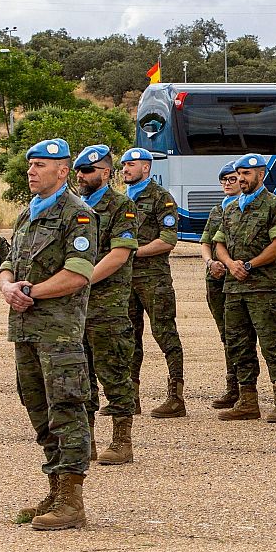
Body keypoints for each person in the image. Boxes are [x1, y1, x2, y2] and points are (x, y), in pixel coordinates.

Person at [0, 138, 96, 531]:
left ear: (62, 170)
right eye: (30, 165)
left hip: (58, 333)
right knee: (38, 409)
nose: (31, 171)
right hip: (25, 330)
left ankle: (73, 500)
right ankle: (55, 489)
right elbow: (9, 261)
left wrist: (31, 292)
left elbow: (78, 273)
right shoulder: (28, 214)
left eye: (40, 165)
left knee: (67, 409)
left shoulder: (79, 214)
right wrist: (7, 284)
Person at [212, 153, 276, 423]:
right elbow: (219, 243)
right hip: (234, 288)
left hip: (263, 289)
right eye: (238, 174)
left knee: (271, 344)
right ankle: (247, 400)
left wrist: (248, 265)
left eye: (246, 174)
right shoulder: (231, 207)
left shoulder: (274, 205)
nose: (241, 179)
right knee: (238, 344)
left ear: (261, 174)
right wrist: (230, 264)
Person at [72, 145, 140, 465]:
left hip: (107, 306)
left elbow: (119, 255)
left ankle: (121, 440)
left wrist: (82, 280)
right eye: (78, 171)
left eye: (87, 170)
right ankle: (88, 441)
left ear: (106, 172)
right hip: (76, 307)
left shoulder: (121, 206)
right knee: (81, 376)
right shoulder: (74, 207)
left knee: (113, 372)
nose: (81, 176)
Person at [119, 147, 185, 419]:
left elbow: (168, 239)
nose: (125, 169)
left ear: (146, 168)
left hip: (153, 278)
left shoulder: (161, 198)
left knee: (165, 333)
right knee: (128, 337)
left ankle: (175, 397)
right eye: (123, 165)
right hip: (125, 279)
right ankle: (130, 396)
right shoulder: (121, 200)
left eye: (130, 165)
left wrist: (132, 251)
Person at [200, 162, 241, 409]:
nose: (227, 183)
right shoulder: (217, 210)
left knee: (239, 334)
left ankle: (243, 387)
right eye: (224, 179)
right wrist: (209, 262)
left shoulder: (244, 208)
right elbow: (206, 242)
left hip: (236, 277)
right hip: (215, 277)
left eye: (232, 179)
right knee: (226, 334)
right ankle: (232, 386)